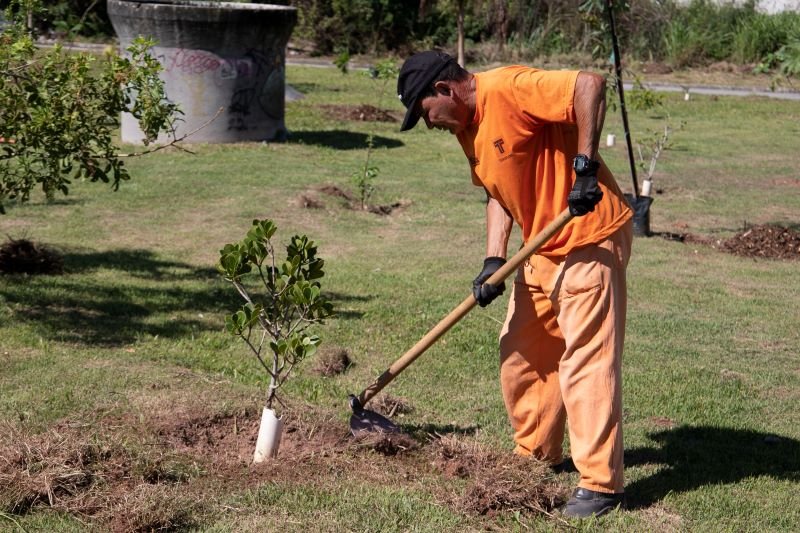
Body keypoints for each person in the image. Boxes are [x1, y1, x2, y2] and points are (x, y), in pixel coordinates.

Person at [396, 51, 633, 518]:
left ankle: (602, 484)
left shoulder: (509, 88)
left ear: (445, 90)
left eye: (426, 115)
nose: (429, 126)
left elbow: (589, 84)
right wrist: (493, 259)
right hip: (541, 246)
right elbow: (497, 193)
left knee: (585, 359)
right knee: (523, 352)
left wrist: (585, 167)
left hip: (588, 235)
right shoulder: (468, 128)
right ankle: (537, 451)